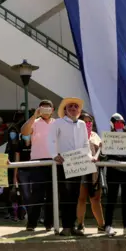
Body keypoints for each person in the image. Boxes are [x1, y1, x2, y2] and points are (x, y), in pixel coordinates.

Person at [49, 97, 93, 236]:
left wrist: (89, 156)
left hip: (78, 162)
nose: (73, 109)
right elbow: (50, 140)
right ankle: (66, 226)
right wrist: (54, 155)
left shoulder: (81, 124)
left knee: (75, 195)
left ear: (79, 110)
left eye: (76, 107)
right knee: (65, 194)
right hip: (63, 162)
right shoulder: (58, 123)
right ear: (65, 110)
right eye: (70, 107)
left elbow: (86, 143)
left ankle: (72, 225)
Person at [20, 100, 55, 231]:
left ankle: (49, 223)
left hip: (53, 161)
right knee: (37, 194)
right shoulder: (34, 122)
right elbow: (24, 132)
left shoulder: (56, 123)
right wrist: (35, 115)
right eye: (43, 108)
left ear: (53, 110)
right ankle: (32, 223)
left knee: (52, 194)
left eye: (48, 108)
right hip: (38, 162)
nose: (46, 110)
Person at [103, 113, 126, 237]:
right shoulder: (108, 138)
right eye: (116, 123)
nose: (119, 125)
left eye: (121, 123)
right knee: (111, 199)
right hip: (113, 169)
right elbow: (103, 155)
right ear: (112, 125)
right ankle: (108, 225)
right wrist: (103, 147)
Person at [75, 112, 105, 234]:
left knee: (96, 199)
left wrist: (103, 147)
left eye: (90, 121)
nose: (88, 124)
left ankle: (101, 225)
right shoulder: (75, 134)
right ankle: (80, 224)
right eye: (85, 121)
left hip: (95, 171)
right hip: (81, 169)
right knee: (81, 198)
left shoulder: (95, 135)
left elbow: (101, 152)